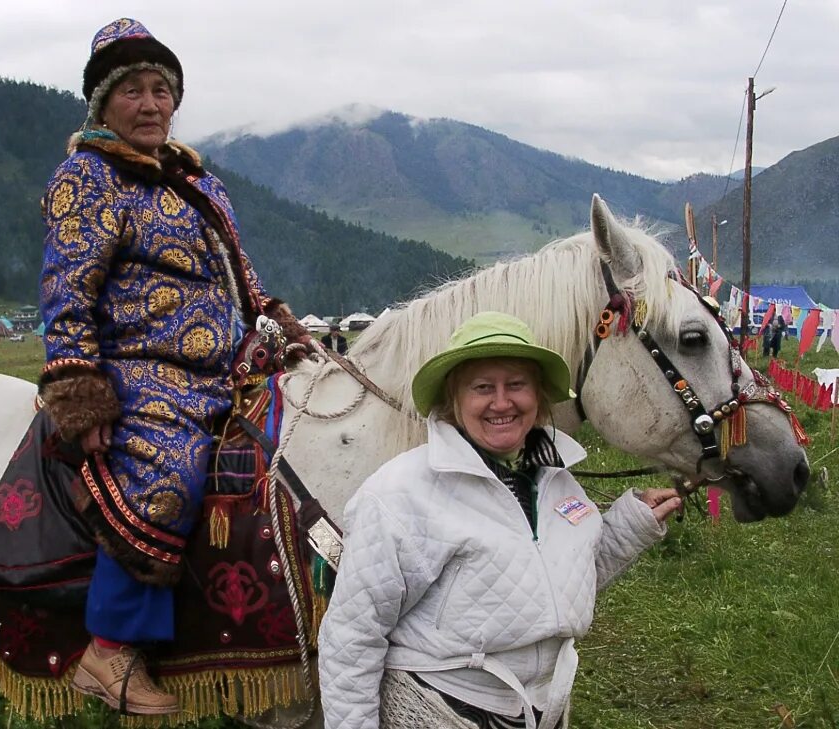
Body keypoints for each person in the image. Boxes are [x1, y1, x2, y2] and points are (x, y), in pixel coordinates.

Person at [38, 18, 309, 715]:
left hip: (228, 364)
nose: (153, 104)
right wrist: (78, 391)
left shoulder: (199, 182)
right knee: (170, 466)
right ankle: (111, 649)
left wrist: (275, 315)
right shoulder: (88, 177)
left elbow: (238, 274)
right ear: (103, 103)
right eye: (134, 90)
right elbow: (67, 288)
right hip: (141, 368)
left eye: (163, 89)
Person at [318, 312, 682, 729]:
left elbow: (551, 582)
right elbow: (351, 637)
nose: (502, 402)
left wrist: (631, 524)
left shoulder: (557, 479)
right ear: (453, 401)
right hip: (440, 711)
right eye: (482, 388)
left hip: (542, 709)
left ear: (538, 396)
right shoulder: (399, 493)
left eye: (516, 385)